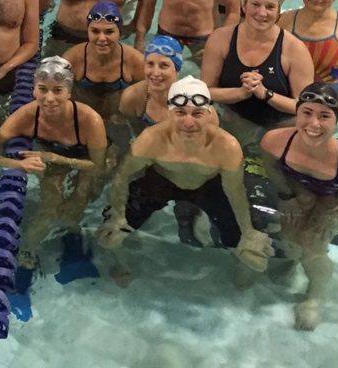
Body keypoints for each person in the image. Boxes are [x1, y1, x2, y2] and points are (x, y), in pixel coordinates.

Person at [97, 76, 274, 273]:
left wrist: (248, 232)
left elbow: (235, 191)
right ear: (170, 113)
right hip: (161, 181)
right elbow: (122, 176)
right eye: (181, 112)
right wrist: (118, 214)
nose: (188, 123)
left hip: (208, 186)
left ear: (209, 114)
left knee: (255, 259)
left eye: (197, 113)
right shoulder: (151, 139)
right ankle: (122, 266)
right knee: (109, 238)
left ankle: (242, 275)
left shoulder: (226, 147)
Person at [0, 57, 107, 268]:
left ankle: (72, 232)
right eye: (42, 89)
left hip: (83, 158)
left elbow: (97, 165)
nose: (49, 98)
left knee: (77, 206)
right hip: (50, 156)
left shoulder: (89, 120)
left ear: (69, 92)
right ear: (34, 90)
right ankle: (28, 248)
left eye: (57, 90)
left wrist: (57, 158)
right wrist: (18, 165)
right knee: (49, 208)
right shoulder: (25, 116)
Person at [260, 84, 338, 330]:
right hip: (301, 193)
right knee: (289, 231)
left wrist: (334, 215)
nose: (313, 124)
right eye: (307, 113)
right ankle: (293, 262)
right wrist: (288, 196)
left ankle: (315, 296)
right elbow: (271, 167)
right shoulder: (275, 142)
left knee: (312, 244)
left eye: (324, 116)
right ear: (296, 114)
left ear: (336, 121)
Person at [201, 0, 314, 141]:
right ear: (244, 6)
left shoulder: (294, 49)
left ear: (278, 12)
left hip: (276, 128)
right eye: (255, 4)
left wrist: (265, 94)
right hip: (230, 120)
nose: (262, 13)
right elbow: (205, 91)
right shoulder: (220, 39)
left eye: (270, 7)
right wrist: (240, 93)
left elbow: (305, 106)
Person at [63, 0, 145, 120]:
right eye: (95, 31)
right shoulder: (72, 59)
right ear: (88, 31)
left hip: (119, 118)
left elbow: (152, 96)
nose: (102, 38)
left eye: (109, 32)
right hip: (83, 117)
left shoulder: (135, 61)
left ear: (119, 33)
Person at [119, 35, 185, 129]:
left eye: (164, 65)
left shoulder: (193, 102)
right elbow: (123, 127)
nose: (155, 73)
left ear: (177, 70)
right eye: (150, 64)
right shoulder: (133, 97)